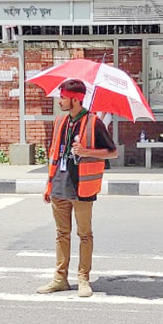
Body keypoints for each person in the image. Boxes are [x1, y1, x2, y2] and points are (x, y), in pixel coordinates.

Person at [37, 80, 117, 298]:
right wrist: (49, 184)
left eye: (62, 97)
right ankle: (60, 279)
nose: (59, 100)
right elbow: (54, 153)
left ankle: (83, 278)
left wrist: (86, 151)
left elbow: (113, 153)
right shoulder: (60, 121)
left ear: (75, 99)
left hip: (83, 187)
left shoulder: (94, 123)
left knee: (84, 235)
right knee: (61, 234)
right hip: (60, 185)